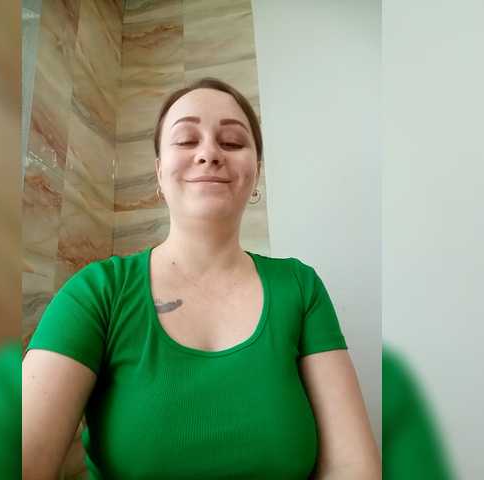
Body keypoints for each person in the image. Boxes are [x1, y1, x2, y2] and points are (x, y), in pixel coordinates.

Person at [22, 77, 380, 479]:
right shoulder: (97, 291)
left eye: (232, 142)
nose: (209, 153)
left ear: (256, 172)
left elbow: (352, 467)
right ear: (159, 172)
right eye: (186, 140)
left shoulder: (300, 287)